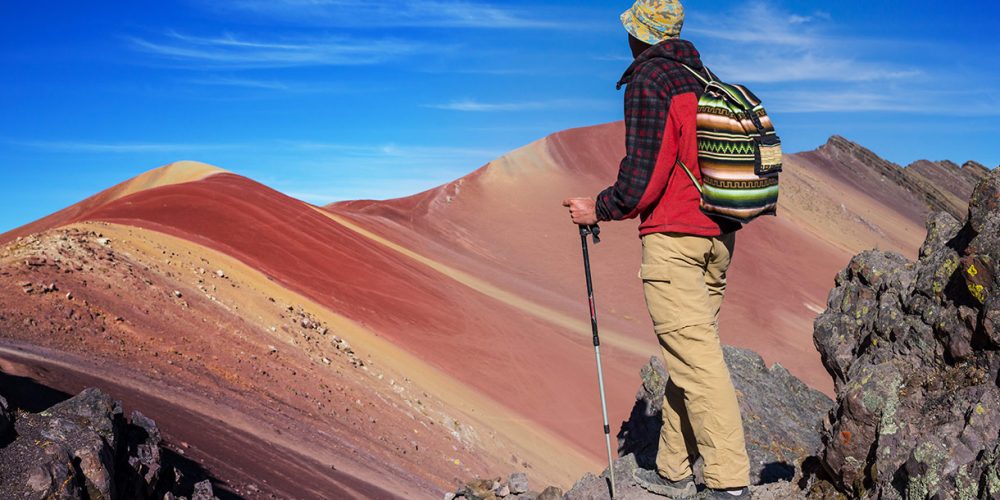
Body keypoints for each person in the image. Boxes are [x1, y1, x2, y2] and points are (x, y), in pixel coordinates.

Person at [562, 0, 752, 498]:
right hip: (718, 239)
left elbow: (643, 179)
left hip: (675, 242)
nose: (626, 38)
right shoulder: (704, 77)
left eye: (630, 30)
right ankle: (672, 467)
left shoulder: (652, 81)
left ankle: (730, 483)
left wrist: (598, 208)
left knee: (696, 362)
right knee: (688, 355)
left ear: (640, 35)